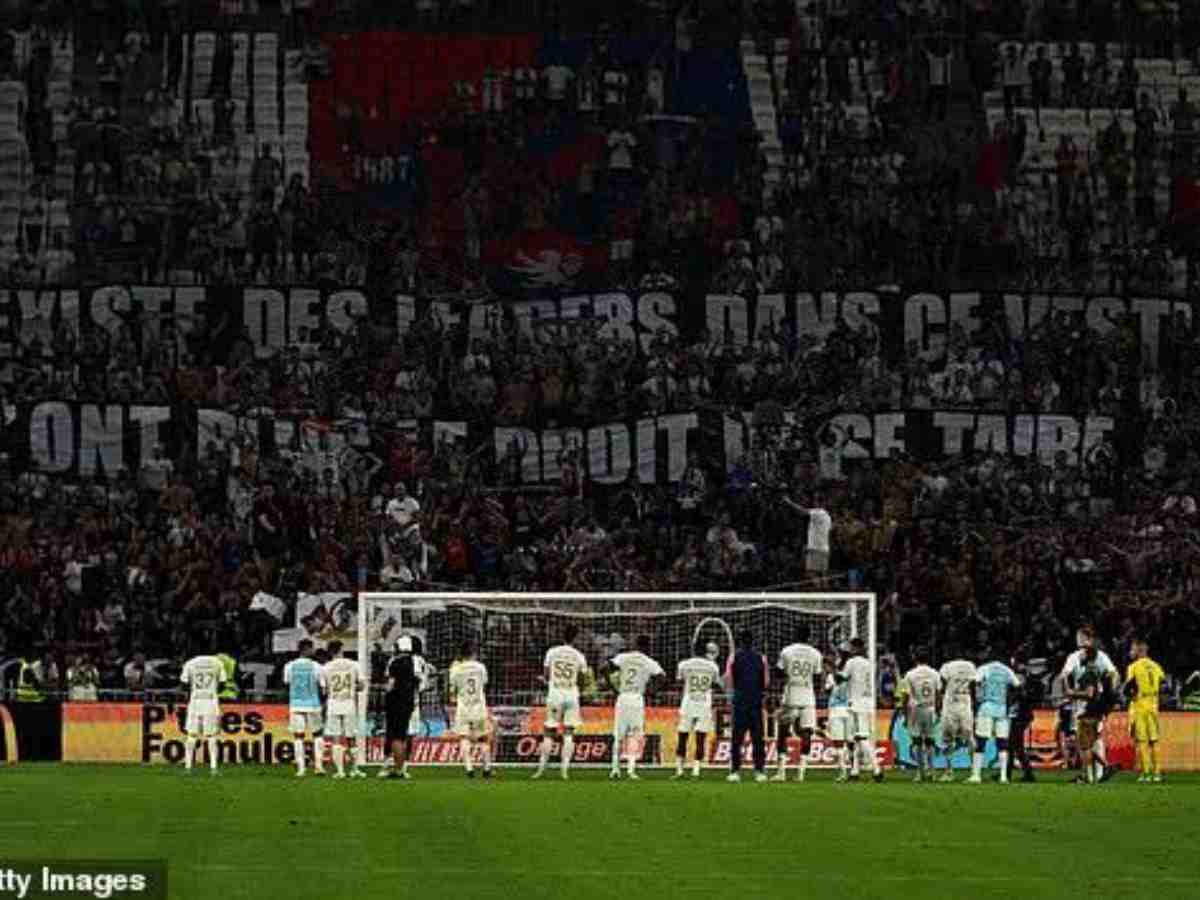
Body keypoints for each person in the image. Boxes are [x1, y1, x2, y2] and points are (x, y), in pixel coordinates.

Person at [1060, 625, 1119, 782]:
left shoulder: (1091, 665)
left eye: (1080, 637)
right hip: (1095, 705)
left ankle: (1093, 774)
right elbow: (1113, 674)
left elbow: (1066, 677)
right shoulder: (1083, 658)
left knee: (1087, 742)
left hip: (1086, 706)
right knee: (1092, 739)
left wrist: (1070, 692)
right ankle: (1097, 772)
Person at [534, 624, 591, 780]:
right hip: (572, 696)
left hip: (555, 696)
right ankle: (564, 771)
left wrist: (551, 680)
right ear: (576, 638)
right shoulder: (579, 656)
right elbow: (583, 679)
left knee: (549, 732)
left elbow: (546, 675)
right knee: (568, 733)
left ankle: (540, 770)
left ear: (562, 636)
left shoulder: (552, 652)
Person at [606, 635, 665, 780]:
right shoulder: (649, 662)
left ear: (635, 644)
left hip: (622, 697)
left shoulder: (623, 657)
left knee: (618, 736)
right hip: (637, 698)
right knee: (634, 734)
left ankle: (614, 769)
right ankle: (631, 770)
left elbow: (605, 667)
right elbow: (662, 677)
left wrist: (613, 686)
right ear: (647, 647)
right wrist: (652, 691)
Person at [774, 625, 823, 782]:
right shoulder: (816, 654)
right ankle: (801, 773)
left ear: (795, 635)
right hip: (808, 697)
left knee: (782, 732)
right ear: (809, 637)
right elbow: (817, 676)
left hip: (791, 695)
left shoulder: (787, 651)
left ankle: (781, 772)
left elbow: (778, 672)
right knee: (807, 733)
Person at [725, 629, 769, 783]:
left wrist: (731, 697)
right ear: (753, 642)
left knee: (737, 738)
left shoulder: (733, 657)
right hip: (755, 701)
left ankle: (735, 771)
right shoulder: (761, 658)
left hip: (740, 701)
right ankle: (759, 771)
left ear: (740, 641)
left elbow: (729, 680)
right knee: (758, 738)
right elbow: (765, 682)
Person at [674, 639, 722, 779]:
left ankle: (679, 771)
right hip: (704, 704)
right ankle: (696, 771)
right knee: (700, 738)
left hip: (688, 703)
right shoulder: (713, 666)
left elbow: (678, 681)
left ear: (693, 650)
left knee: (683, 737)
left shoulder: (684, 664)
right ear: (706, 651)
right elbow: (716, 684)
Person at [971, 655, 1021, 785]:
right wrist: (1009, 702)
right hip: (1002, 709)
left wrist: (977, 700)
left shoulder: (984, 668)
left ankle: (976, 775)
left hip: (986, 708)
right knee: (1002, 743)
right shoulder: (1007, 670)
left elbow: (975, 682)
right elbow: (1018, 686)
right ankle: (1003, 777)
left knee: (981, 741)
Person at [839, 638, 882, 782]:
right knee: (857, 739)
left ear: (855, 648)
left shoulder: (851, 662)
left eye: (851, 647)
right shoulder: (869, 663)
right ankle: (855, 771)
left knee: (861, 738)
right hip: (868, 702)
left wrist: (835, 668)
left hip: (856, 703)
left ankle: (877, 769)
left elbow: (842, 678)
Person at [449, 640, 493, 779]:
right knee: (483, 738)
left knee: (464, 738)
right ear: (474, 652)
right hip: (479, 707)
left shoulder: (456, 669)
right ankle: (486, 769)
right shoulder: (481, 667)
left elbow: (452, 691)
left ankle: (469, 769)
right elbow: (484, 685)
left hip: (463, 708)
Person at [283, 639, 327, 777]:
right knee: (317, 734)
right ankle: (319, 766)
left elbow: (287, 682)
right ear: (307, 649)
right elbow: (323, 686)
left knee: (298, 737)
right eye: (312, 649)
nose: (313, 651)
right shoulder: (316, 666)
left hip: (296, 704)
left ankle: (301, 769)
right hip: (313, 704)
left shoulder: (289, 666)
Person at [1124, 638, 1165, 784]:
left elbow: (1129, 688)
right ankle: (1157, 773)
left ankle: (1146, 773)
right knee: (1154, 740)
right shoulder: (1156, 666)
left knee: (1142, 741)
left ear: (1140, 650)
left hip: (1140, 705)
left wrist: (1129, 695)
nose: (1130, 652)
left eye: (1132, 649)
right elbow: (1163, 683)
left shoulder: (1133, 667)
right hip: (1154, 705)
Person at [322, 640, 364, 779]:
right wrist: (351, 688)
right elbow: (362, 686)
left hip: (333, 704)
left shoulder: (326, 667)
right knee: (351, 737)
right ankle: (355, 769)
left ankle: (340, 771)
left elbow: (324, 690)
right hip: (349, 704)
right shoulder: (354, 665)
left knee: (336, 738)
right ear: (342, 649)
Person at [180, 650, 226, 775]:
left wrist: (194, 690)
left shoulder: (190, 663)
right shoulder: (217, 662)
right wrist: (213, 689)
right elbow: (223, 683)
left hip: (195, 701)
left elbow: (183, 684)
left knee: (191, 734)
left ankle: (188, 767)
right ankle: (213, 768)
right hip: (211, 700)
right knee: (211, 735)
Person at [901, 648, 941, 783]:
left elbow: (905, 695)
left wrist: (905, 714)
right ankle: (931, 770)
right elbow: (939, 694)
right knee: (930, 741)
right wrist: (939, 711)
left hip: (916, 710)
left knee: (917, 741)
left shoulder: (910, 674)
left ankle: (919, 772)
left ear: (915, 658)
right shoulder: (935, 674)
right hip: (930, 708)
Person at [381, 636, 418, 780]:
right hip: (408, 701)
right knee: (403, 736)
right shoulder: (413, 662)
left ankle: (397, 768)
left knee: (395, 736)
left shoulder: (395, 663)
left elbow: (390, 684)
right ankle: (401, 768)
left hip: (395, 701)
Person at [938, 655, 978, 782]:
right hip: (965, 705)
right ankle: (974, 771)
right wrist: (975, 705)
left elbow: (942, 686)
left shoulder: (946, 666)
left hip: (950, 705)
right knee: (970, 737)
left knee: (948, 739)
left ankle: (949, 771)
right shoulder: (971, 666)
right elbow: (973, 686)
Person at [402, 636, 434, 778]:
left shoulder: (401, 660)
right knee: (409, 734)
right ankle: (403, 765)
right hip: (413, 701)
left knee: (399, 733)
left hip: (400, 699)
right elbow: (423, 684)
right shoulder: (422, 662)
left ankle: (392, 763)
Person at [825, 653, 854, 781]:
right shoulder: (852, 678)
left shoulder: (832, 676)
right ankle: (853, 770)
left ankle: (843, 772)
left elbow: (827, 690)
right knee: (850, 742)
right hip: (849, 710)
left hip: (837, 711)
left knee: (839, 743)